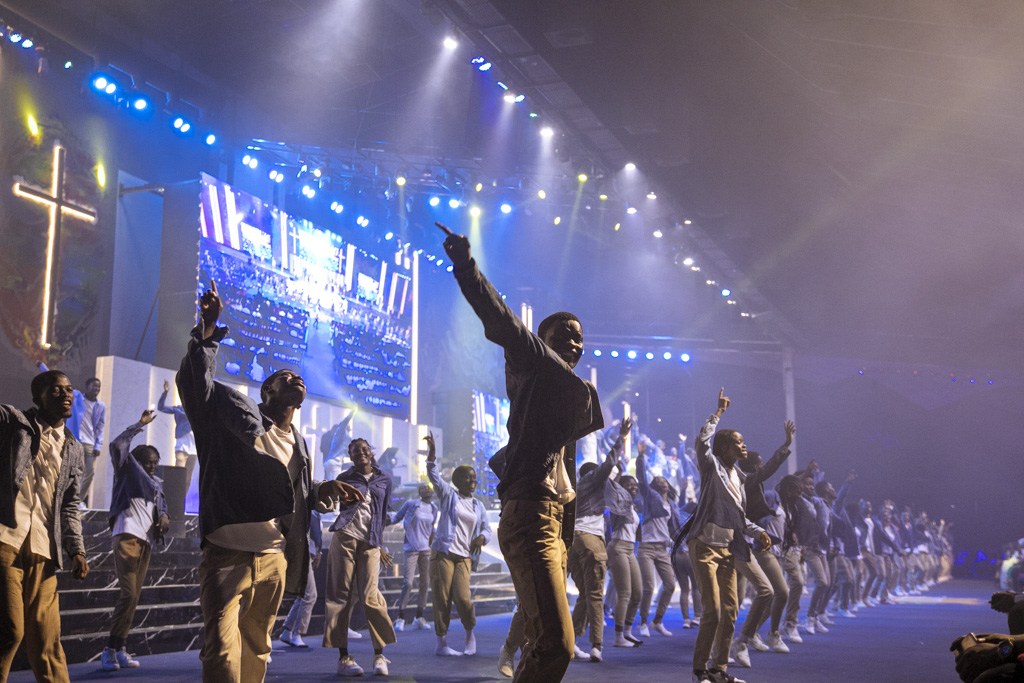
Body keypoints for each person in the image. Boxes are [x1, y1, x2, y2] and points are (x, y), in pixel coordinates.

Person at [441, 225, 604, 682]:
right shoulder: (533, 360)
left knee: (542, 639)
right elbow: (501, 320)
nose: (575, 341)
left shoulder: (564, 400)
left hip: (553, 522)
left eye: (580, 337)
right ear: (541, 338)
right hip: (531, 515)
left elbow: (563, 475)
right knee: (557, 644)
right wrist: (466, 268)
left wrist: (566, 534)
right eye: (564, 333)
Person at [178, 279, 360, 683]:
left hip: (274, 557)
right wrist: (207, 332)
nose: (296, 378)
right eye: (285, 376)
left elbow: (290, 492)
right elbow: (195, 389)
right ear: (267, 391)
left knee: (258, 646)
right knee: (221, 649)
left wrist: (324, 489)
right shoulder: (235, 418)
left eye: (299, 376)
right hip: (228, 552)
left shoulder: (300, 442)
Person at [1, 369, 90, 682]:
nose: (66, 395)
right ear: (37, 397)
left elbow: (69, 505)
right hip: (6, 539)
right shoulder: (15, 424)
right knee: (10, 631)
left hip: (44, 548)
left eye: (69, 389)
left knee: (47, 640)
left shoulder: (74, 448)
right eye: (55, 389)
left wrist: (77, 549)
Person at [677, 388, 770, 683]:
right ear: (725, 448)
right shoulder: (711, 467)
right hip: (704, 545)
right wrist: (718, 414)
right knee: (713, 611)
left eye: (743, 442)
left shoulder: (738, 479)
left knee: (731, 611)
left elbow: (738, 517)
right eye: (738, 442)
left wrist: (759, 531)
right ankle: (699, 670)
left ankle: (719, 670)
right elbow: (702, 442)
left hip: (728, 549)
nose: (744, 445)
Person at [100, 409, 170, 671]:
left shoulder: (156, 484)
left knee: (133, 597)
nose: (152, 466)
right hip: (128, 534)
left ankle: (120, 648)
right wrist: (139, 424)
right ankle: (109, 650)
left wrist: (165, 516)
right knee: (128, 594)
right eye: (149, 462)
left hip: (146, 541)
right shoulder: (128, 470)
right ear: (138, 460)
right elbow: (117, 445)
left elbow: (162, 507)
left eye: (155, 462)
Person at [322, 438, 396, 677]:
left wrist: (379, 544)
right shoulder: (343, 478)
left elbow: (382, 513)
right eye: (356, 451)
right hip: (345, 538)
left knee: (370, 596)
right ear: (350, 455)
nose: (361, 453)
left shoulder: (384, 479)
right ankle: (343, 658)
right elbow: (332, 505)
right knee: (340, 596)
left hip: (370, 543)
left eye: (365, 449)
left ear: (371, 453)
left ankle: (379, 655)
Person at [569, 417, 631, 662]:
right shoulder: (593, 480)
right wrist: (622, 437)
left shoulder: (577, 489)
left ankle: (570, 642)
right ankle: (597, 646)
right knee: (595, 595)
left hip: (574, 542)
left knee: (585, 595)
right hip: (590, 540)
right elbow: (608, 464)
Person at [733, 420, 795, 660]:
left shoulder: (749, 483)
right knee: (737, 600)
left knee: (750, 596)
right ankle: (744, 640)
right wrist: (785, 446)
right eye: (759, 464)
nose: (762, 467)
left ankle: (744, 639)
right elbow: (767, 470)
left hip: (746, 542)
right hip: (734, 542)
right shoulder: (745, 479)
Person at [425, 432, 491, 656]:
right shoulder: (448, 495)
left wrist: (482, 537)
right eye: (468, 478)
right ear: (458, 480)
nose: (472, 481)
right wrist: (432, 457)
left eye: (474, 478)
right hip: (443, 553)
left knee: (463, 598)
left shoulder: (478, 505)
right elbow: (434, 477)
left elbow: (486, 528)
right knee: (441, 598)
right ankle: (441, 643)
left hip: (464, 556)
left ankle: (469, 634)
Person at [36, 364, 106, 508]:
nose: (96, 389)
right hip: (73, 439)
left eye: (98, 387)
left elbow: (100, 426)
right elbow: (55, 381)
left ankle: (77, 501)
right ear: (87, 387)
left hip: (90, 442)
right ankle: (61, 499)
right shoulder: (77, 397)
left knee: (89, 473)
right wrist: (42, 366)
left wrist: (98, 444)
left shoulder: (101, 406)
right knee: (69, 469)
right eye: (94, 386)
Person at [634, 439, 677, 639]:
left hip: (662, 549)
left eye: (664, 480)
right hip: (647, 548)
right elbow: (642, 479)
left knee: (670, 585)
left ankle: (657, 621)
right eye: (659, 481)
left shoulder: (671, 505)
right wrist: (640, 456)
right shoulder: (651, 497)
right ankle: (643, 622)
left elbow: (674, 527)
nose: (663, 482)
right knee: (649, 587)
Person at [388, 483, 438, 632]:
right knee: (408, 583)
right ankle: (401, 617)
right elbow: (397, 517)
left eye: (428, 488)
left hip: (426, 550)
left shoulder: (434, 508)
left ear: (432, 491)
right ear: (419, 492)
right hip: (411, 548)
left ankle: (419, 617)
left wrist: (433, 542)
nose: (425, 490)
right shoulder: (411, 504)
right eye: (422, 488)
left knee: (425, 583)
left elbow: (431, 527)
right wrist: (384, 521)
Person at [605, 454, 643, 648]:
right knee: (625, 593)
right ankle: (618, 637)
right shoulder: (618, 503)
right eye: (630, 485)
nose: (633, 487)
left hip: (630, 549)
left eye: (635, 485)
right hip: (618, 546)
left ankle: (627, 632)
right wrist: (619, 472)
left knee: (638, 593)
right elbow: (611, 487)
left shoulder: (633, 507)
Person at [278, 510, 323, 649]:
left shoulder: (314, 509)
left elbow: (316, 531)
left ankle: (287, 631)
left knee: (304, 594)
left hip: (307, 551)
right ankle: (297, 633)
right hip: (301, 551)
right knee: (310, 594)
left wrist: (318, 551)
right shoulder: (307, 506)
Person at [157, 380, 198, 489]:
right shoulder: (179, 409)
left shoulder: (198, 410)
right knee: (179, 476)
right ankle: (174, 496)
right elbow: (161, 407)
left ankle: (182, 499)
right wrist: (165, 393)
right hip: (182, 448)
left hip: (193, 449)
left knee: (187, 480)